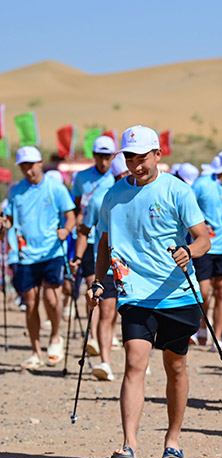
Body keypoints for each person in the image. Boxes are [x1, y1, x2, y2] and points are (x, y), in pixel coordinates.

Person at [87, 125, 212, 458]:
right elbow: (104, 241)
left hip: (176, 294)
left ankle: (173, 439)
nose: (135, 165)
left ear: (157, 155)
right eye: (129, 158)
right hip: (135, 294)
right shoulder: (112, 195)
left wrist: (189, 251)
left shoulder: (177, 190)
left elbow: (204, 239)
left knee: (175, 367)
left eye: (141, 158)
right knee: (134, 363)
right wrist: (99, 281)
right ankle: (129, 445)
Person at [4, 146, 75, 369]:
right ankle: (35, 352)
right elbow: (9, 219)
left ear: (39, 163)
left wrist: (66, 230)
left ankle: (55, 335)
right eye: (23, 166)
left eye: (30, 165)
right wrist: (3, 224)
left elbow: (70, 216)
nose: (27, 170)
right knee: (31, 303)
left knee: (51, 298)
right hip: (26, 254)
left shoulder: (56, 188)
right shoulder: (16, 191)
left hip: (51, 251)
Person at [71, 154, 130, 380]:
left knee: (126, 315)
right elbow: (85, 231)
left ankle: (134, 360)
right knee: (106, 313)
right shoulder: (100, 200)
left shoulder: (146, 196)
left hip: (136, 268)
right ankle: (105, 362)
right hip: (108, 265)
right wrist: (77, 257)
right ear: (117, 175)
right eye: (123, 174)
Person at [192, 149, 222, 350]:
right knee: (203, 293)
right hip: (205, 247)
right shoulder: (202, 184)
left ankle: (218, 337)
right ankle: (201, 325)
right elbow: (187, 209)